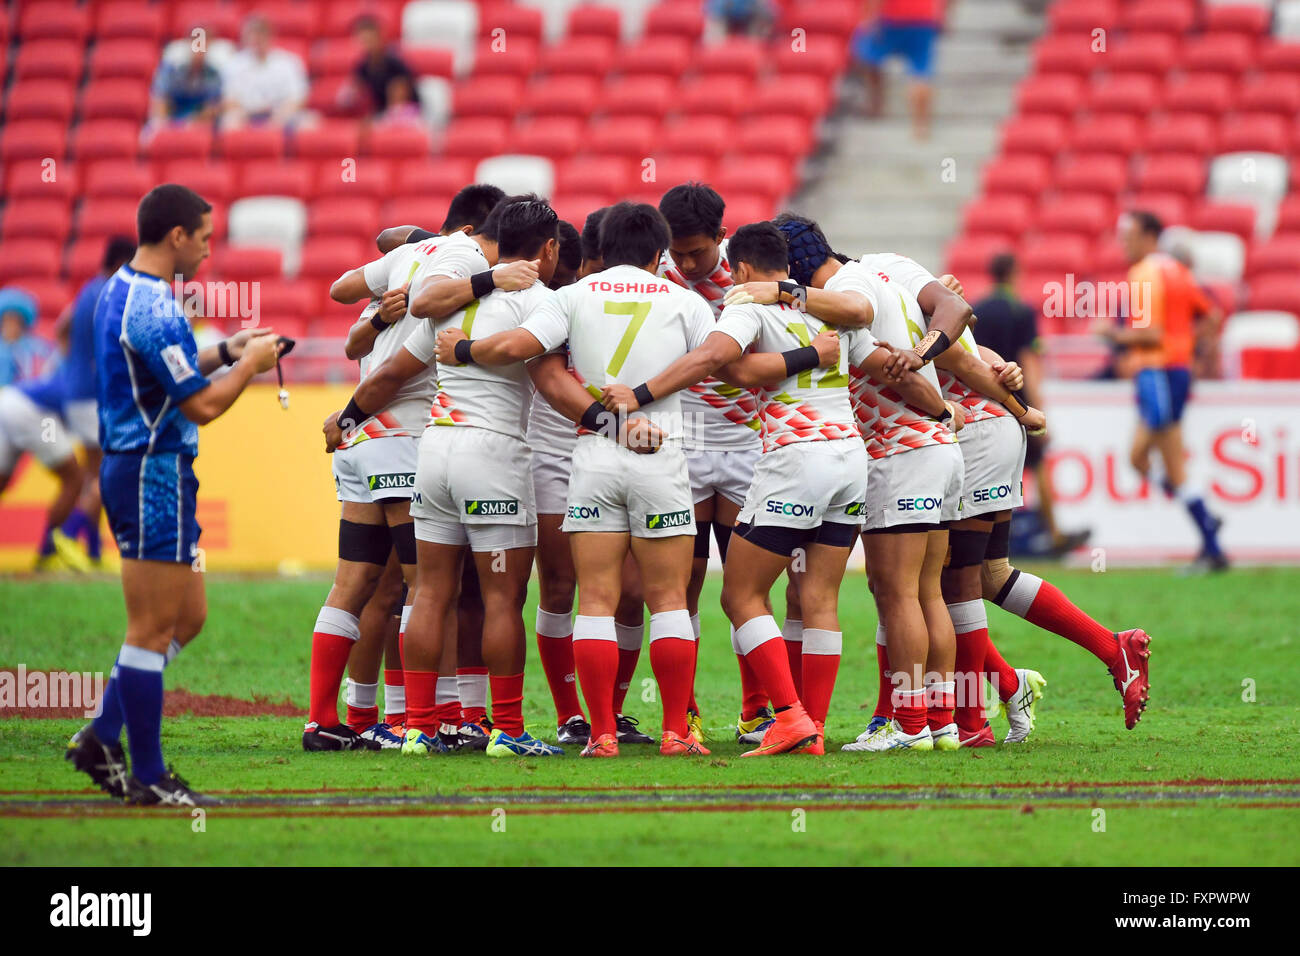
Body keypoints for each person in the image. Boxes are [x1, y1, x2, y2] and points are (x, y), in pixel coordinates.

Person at [432, 202, 719, 758]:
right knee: (666, 600)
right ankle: (675, 733)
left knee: (594, 600)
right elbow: (714, 359)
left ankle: (602, 733)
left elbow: (524, 352)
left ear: (601, 253)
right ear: (661, 256)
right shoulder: (685, 301)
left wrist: (464, 349)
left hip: (592, 456)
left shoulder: (570, 296)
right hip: (661, 454)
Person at [64, 184, 282, 806]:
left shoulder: (127, 290)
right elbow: (202, 404)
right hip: (150, 472)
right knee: (152, 628)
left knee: (188, 617)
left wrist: (227, 350)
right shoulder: (155, 306)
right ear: (177, 237)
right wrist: (250, 367)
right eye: (206, 238)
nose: (211, 252)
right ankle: (149, 775)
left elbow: (172, 369)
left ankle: (104, 736)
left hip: (154, 469)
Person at [527, 207, 654, 746]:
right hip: (556, 451)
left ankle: (611, 711)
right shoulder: (554, 303)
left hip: (622, 450)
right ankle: (569, 714)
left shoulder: (649, 297)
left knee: (629, 591)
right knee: (559, 586)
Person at [657, 183, 770, 747]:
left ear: (722, 239)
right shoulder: (655, 275)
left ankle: (757, 711)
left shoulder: (754, 276)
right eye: (677, 252)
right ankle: (686, 712)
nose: (686, 263)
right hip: (686, 443)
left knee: (748, 582)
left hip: (750, 442)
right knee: (685, 582)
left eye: (697, 252)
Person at [1100, 210, 1227, 573]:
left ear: (1150, 236)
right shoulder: (1178, 271)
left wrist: (1113, 334)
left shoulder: (1143, 273)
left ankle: (1212, 543)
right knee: (1139, 459)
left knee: (1166, 464)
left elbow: (1151, 334)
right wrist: (1189, 345)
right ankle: (1205, 520)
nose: (1124, 242)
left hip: (1157, 373)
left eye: (1130, 235)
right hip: (1172, 372)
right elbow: (1212, 315)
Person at [970, 253, 1089, 557]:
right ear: (1014, 273)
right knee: (1038, 465)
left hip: (983, 397)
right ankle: (1055, 534)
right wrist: (1035, 408)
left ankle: (983, 540)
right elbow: (1029, 362)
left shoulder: (977, 309)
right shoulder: (1021, 310)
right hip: (1017, 399)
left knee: (989, 469)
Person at [58, 236, 137, 569]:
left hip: (76, 393)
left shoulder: (88, 290)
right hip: (95, 398)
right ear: (121, 263)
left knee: (95, 473)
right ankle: (68, 532)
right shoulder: (111, 293)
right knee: (111, 472)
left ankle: (91, 552)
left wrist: (74, 361)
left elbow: (62, 328)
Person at [853, 0, 944, 140]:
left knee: (867, 54)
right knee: (921, 72)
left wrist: (870, 18)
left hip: (891, 19)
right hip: (923, 19)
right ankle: (921, 126)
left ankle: (876, 103)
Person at [221, 15, 308, 127]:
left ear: (270, 36)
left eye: (260, 34)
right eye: (252, 35)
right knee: (228, 123)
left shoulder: (289, 62)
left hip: (281, 114)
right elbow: (230, 100)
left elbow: (297, 98)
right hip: (246, 115)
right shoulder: (234, 64)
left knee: (308, 123)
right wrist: (246, 113)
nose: (256, 39)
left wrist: (280, 116)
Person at [349, 15, 419, 116]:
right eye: (363, 41)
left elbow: (401, 94)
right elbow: (352, 93)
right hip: (382, 112)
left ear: (380, 37)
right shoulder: (362, 67)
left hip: (408, 111)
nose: (367, 45)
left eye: (370, 40)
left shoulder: (396, 62)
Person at [149, 42, 223, 124]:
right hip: (172, 119)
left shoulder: (213, 74)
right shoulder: (173, 70)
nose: (198, 52)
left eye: (202, 47)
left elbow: (212, 106)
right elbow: (161, 99)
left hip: (199, 122)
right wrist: (164, 123)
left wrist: (193, 121)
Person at [0, 288, 53, 386]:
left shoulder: (38, 348)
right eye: (6, 320)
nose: (10, 325)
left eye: (14, 320)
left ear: (23, 324)